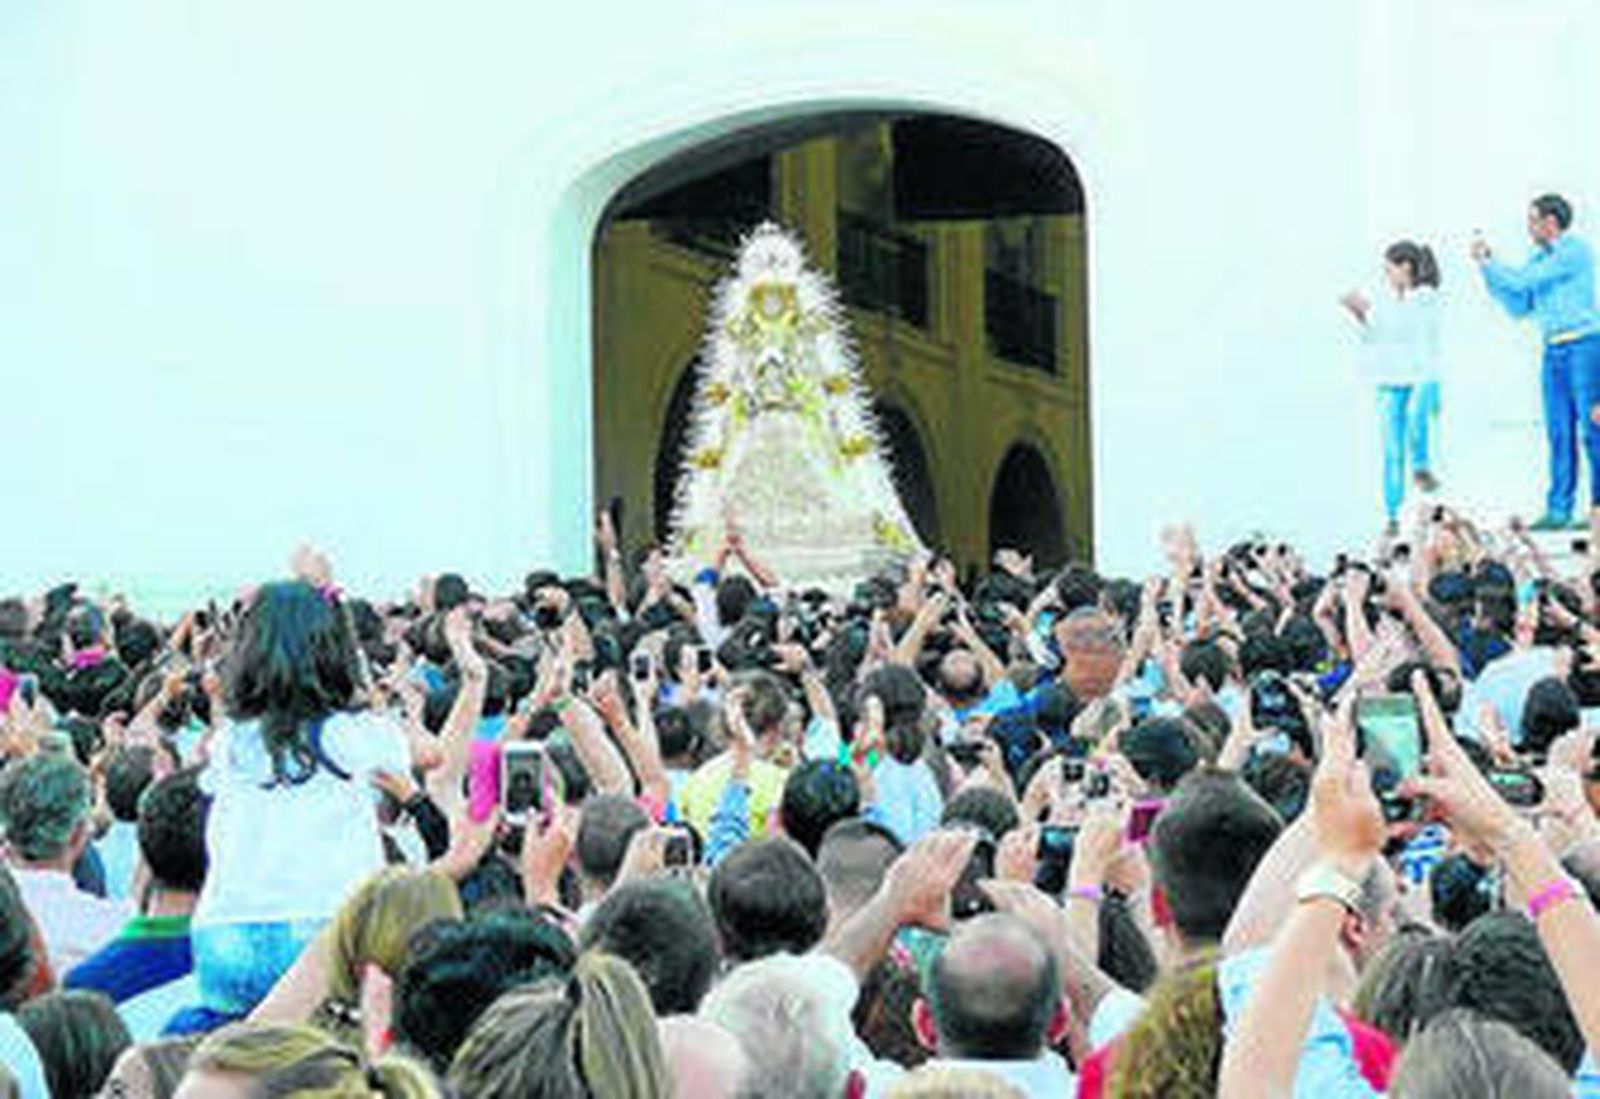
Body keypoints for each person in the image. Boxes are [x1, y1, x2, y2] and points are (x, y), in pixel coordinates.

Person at [189, 579, 419, 1024]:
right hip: (325, 934)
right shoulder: (359, 736)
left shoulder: (229, 743)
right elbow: (428, 753)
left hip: (225, 938)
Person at [1474, 193, 1600, 530]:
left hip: (1585, 347)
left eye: (1532, 220)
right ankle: (1559, 511)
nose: (1528, 227)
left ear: (1550, 222)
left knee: (1593, 431)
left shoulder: (1574, 251)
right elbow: (1518, 303)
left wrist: (1491, 265)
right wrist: (1487, 270)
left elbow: (1521, 281)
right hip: (1554, 351)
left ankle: (1599, 511)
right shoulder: (1537, 258)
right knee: (1559, 431)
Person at [1341, 240, 1444, 532]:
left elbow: (1402, 327)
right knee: (1391, 449)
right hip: (1390, 379)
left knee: (1416, 422)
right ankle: (1393, 512)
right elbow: (1375, 336)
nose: (1387, 277)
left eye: (1390, 270)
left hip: (1421, 376)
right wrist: (1361, 315)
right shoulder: (1389, 301)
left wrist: (1367, 312)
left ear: (1405, 268)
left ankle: (1422, 468)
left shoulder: (1425, 296)